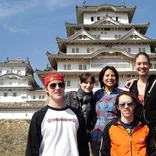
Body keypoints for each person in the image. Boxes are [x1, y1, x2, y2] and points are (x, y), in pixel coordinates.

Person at [25, 71, 89, 156]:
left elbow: (83, 147)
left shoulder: (77, 114)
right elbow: (32, 149)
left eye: (61, 85)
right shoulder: (39, 116)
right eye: (53, 85)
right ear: (46, 89)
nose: (57, 88)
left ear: (64, 87)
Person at [100, 91, 156, 156]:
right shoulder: (110, 127)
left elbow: (153, 151)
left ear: (134, 105)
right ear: (118, 106)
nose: (126, 107)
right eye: (122, 104)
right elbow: (104, 152)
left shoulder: (145, 127)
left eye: (129, 104)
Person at [90, 66, 122, 156]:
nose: (110, 78)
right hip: (97, 134)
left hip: (115, 133)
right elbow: (91, 114)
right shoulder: (97, 94)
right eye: (107, 75)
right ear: (102, 78)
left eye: (113, 75)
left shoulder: (121, 94)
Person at [125, 52, 156, 139]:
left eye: (145, 63)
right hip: (139, 130)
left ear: (150, 65)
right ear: (134, 66)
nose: (142, 66)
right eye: (139, 63)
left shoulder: (155, 82)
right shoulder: (132, 86)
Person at [64, 72, 96, 139]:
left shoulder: (93, 100)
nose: (88, 85)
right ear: (80, 83)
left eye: (91, 83)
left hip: (85, 136)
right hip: (69, 134)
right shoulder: (69, 96)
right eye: (86, 82)